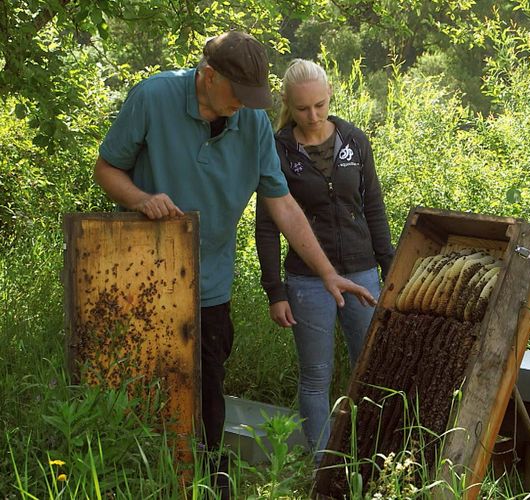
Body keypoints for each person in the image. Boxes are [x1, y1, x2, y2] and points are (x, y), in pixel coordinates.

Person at [93, 32, 376, 495]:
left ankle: (207, 484)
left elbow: (282, 205)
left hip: (209, 284)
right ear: (207, 77)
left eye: (253, 97)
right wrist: (142, 200)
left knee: (207, 396)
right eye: (237, 95)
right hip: (143, 277)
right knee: (141, 385)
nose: (245, 105)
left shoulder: (254, 124)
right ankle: (139, 478)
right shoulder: (153, 97)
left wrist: (327, 273)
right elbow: (107, 169)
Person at [255, 59, 394, 463]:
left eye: (319, 105)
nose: (313, 115)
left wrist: (390, 271)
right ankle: (324, 469)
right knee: (316, 378)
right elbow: (267, 227)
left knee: (370, 373)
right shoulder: (278, 149)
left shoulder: (354, 140)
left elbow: (374, 209)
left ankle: (372, 460)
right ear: (287, 104)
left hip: (364, 273)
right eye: (302, 109)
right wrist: (274, 292)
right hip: (306, 281)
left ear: (330, 94)